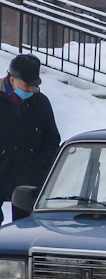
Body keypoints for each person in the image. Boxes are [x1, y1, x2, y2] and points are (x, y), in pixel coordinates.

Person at [0, 54, 61, 221]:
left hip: (28, 178)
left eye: (33, 86)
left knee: (24, 228)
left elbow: (52, 140)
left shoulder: (41, 103)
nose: (29, 90)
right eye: (26, 85)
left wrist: (40, 165)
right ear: (12, 79)